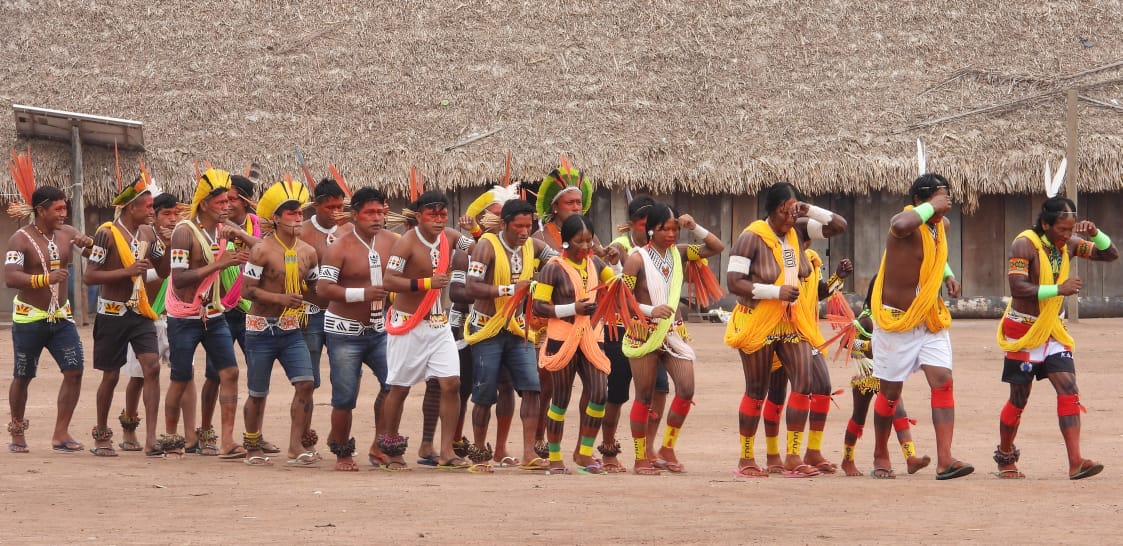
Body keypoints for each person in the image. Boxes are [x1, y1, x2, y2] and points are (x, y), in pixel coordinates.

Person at [725, 183, 846, 478]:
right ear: (779, 208)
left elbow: (838, 226)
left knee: (804, 384)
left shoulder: (798, 231)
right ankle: (746, 458)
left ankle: (793, 456)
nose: (795, 213)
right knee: (757, 392)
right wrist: (774, 291)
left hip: (791, 322)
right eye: (792, 208)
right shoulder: (750, 238)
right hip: (758, 322)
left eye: (797, 209)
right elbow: (733, 282)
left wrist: (809, 210)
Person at [994, 196, 1117, 479]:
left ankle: (1076, 462)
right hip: (1023, 332)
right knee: (1019, 398)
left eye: (1070, 229)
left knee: (1069, 389)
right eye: (1062, 229)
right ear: (1046, 224)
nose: (1067, 235)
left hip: (1053, 331)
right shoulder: (1024, 244)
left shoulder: (1071, 243)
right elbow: (1018, 287)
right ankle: (1005, 455)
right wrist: (1057, 289)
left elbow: (1109, 254)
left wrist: (1095, 234)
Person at [869, 173, 972, 480]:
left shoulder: (942, 226)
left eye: (947, 197)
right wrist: (931, 206)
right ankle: (880, 453)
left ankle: (945, 460)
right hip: (896, 321)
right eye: (940, 197)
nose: (946, 203)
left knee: (943, 380)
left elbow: (937, 256)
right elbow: (900, 224)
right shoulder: (903, 224)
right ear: (920, 200)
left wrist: (947, 276)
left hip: (929, 318)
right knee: (889, 392)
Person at [621, 202, 723, 475]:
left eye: (675, 229)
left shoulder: (679, 253)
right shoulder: (636, 259)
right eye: (665, 229)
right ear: (652, 230)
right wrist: (649, 310)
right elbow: (624, 300)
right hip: (644, 332)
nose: (671, 234)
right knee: (643, 396)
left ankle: (667, 448)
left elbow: (716, 248)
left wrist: (695, 227)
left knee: (686, 389)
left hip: (672, 332)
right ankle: (641, 458)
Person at [163, 169, 255, 458]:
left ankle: (227, 440)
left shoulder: (222, 231)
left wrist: (238, 242)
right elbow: (178, 279)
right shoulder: (183, 232)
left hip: (214, 315)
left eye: (229, 202)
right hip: (184, 317)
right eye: (220, 203)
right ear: (203, 204)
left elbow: (259, 249)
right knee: (180, 377)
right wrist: (220, 264)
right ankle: (171, 437)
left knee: (229, 372)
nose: (227, 207)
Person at [380, 190, 473, 471]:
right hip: (408, 323)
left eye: (443, 214)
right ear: (419, 216)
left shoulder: (452, 237)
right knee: (399, 388)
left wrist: (473, 229)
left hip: (438, 324)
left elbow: (476, 249)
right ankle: (392, 451)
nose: (438, 219)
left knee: (451, 384)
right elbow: (388, 280)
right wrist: (424, 284)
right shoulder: (407, 243)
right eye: (432, 214)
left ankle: (446, 452)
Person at [465, 199, 558, 471]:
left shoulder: (535, 246)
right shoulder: (486, 246)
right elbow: (472, 287)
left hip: (519, 329)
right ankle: (480, 455)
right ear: (504, 224)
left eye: (528, 226)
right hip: (487, 328)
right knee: (484, 395)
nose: (524, 231)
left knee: (531, 389)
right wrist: (511, 290)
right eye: (518, 226)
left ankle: (529, 453)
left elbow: (559, 264)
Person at [5, 182, 94, 454]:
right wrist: (45, 279)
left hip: (61, 318)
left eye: (65, 208)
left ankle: (61, 433)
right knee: (23, 375)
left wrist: (89, 244)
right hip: (29, 319)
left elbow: (98, 256)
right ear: (41, 210)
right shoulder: (19, 239)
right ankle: (17, 430)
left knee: (75, 370)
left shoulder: (67, 234)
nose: (63, 213)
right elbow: (10, 277)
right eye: (58, 209)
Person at [83, 176, 168, 457]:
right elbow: (90, 276)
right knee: (111, 376)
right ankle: (101, 435)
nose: (152, 212)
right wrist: (128, 272)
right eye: (147, 207)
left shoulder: (149, 234)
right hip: (112, 313)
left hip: (140, 312)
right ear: (132, 208)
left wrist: (167, 243)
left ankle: (151, 438)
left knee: (152, 367)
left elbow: (165, 270)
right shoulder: (106, 233)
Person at [760, 222, 854, 473]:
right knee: (778, 393)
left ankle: (811, 452)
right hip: (777, 329)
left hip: (807, 332)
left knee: (822, 386)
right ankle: (774, 456)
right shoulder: (774, 257)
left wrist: (838, 278)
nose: (805, 245)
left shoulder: (812, 261)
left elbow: (819, 292)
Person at [317, 187, 399, 471]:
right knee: (345, 396)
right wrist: (362, 294)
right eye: (370, 213)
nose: (377, 218)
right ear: (355, 215)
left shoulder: (395, 242)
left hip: (382, 330)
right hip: (344, 332)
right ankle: (342, 452)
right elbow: (324, 288)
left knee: (393, 386)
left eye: (380, 212)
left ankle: (380, 445)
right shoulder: (339, 246)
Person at [240, 180, 320, 466]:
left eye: (300, 212)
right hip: (261, 329)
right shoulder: (261, 250)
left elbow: (315, 287)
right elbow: (246, 291)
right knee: (258, 392)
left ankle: (295, 446)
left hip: (291, 329)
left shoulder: (309, 252)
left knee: (306, 383)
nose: (298, 216)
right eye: (290, 212)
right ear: (275, 218)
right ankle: (252, 444)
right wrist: (280, 297)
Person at [532, 214, 616, 474]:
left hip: (591, 336)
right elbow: (538, 306)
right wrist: (573, 308)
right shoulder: (552, 268)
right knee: (561, 398)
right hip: (562, 337)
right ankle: (555, 458)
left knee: (600, 394)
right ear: (566, 243)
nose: (586, 247)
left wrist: (620, 266)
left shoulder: (597, 263)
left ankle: (584, 453)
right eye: (580, 242)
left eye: (589, 241)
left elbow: (617, 286)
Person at [599, 195, 671, 472]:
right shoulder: (623, 246)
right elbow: (612, 250)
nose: (649, 229)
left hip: (653, 332)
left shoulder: (663, 251)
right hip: (620, 329)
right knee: (617, 394)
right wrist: (619, 256)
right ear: (630, 225)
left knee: (660, 389)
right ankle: (608, 449)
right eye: (643, 224)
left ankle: (648, 448)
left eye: (654, 224)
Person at [119, 192, 195, 454]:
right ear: (155, 215)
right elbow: (137, 274)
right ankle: (129, 429)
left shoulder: (186, 237)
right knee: (140, 376)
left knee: (184, 374)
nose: (173, 219)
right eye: (167, 214)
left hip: (178, 315)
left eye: (177, 214)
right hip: (144, 317)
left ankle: (189, 436)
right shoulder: (144, 238)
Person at [837, 277, 930, 477]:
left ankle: (910, 457)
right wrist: (867, 346)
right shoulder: (866, 318)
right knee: (859, 417)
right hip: (866, 376)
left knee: (899, 412)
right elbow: (846, 342)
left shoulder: (891, 317)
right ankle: (847, 459)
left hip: (888, 376)